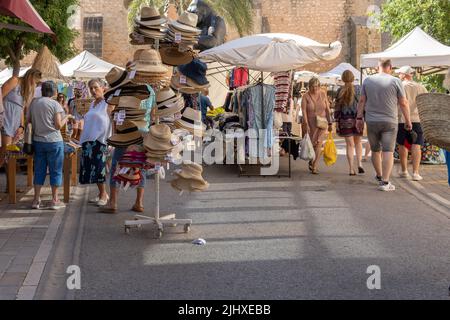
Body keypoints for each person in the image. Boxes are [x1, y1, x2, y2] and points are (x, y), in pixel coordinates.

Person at [356, 59, 412, 192]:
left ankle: (380, 176)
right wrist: (408, 121)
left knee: (375, 150)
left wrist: (359, 118)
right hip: (389, 122)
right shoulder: (395, 81)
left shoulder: (368, 81)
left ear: (377, 67)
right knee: (388, 151)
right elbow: (403, 102)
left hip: (371, 121)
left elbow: (362, 100)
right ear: (390, 67)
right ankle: (385, 182)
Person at [27, 81, 74, 210]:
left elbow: (29, 121)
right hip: (54, 141)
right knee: (56, 170)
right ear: (54, 92)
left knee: (39, 170)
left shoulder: (34, 103)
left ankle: (36, 200)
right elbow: (58, 125)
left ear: (42, 91)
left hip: (38, 141)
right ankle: (55, 199)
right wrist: (67, 117)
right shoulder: (55, 104)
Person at [79, 79, 112, 206]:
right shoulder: (93, 103)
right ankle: (100, 193)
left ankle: (104, 194)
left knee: (99, 169)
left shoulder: (108, 103)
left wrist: (112, 141)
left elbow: (112, 121)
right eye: (91, 88)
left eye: (95, 87)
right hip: (89, 140)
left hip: (101, 140)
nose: (93, 90)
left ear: (103, 88)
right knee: (92, 169)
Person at [1, 69, 42, 167]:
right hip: (5, 118)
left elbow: (21, 108)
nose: (35, 85)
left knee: (8, 154)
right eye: (35, 82)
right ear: (30, 77)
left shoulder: (26, 89)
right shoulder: (15, 80)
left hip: (15, 122)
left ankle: (9, 181)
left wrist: (21, 126)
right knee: (6, 150)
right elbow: (0, 95)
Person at [395, 66, 428, 181]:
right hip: (417, 119)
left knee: (402, 145)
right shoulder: (421, 87)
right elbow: (426, 103)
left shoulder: (400, 86)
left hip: (402, 119)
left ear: (404, 75)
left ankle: (404, 171)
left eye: (399, 73)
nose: (398, 75)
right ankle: (416, 173)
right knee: (417, 145)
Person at [334, 70, 364, 176]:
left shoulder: (339, 91)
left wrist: (336, 121)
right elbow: (362, 104)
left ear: (342, 78)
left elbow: (337, 108)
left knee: (350, 145)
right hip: (357, 120)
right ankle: (360, 163)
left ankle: (351, 169)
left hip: (344, 121)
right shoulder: (359, 89)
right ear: (352, 78)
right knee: (358, 142)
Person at [301, 78, 333, 174]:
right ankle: (311, 160)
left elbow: (327, 109)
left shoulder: (323, 94)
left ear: (319, 86)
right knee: (312, 144)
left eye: (316, 86)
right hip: (310, 123)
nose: (315, 88)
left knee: (319, 143)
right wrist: (306, 124)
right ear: (309, 86)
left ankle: (314, 165)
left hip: (322, 123)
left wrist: (330, 122)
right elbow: (304, 111)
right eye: (312, 86)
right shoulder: (305, 96)